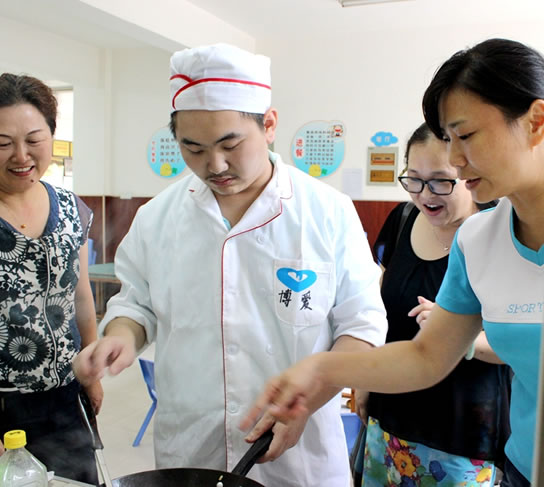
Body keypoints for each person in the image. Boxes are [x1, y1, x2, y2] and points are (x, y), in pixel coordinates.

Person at [72, 43, 388, 487]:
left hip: (300, 461)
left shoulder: (327, 212)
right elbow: (136, 303)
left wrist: (307, 401)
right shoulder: (158, 217)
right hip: (191, 449)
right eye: (193, 148)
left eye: (230, 144)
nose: (214, 165)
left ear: (269, 125)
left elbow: (362, 327)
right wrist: (121, 336)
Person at [241, 37, 544, 487]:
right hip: (524, 466)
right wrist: (318, 369)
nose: (455, 159)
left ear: (535, 121)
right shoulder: (480, 240)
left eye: (465, 136)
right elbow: (425, 356)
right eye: (448, 140)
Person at [0, 73, 100, 484]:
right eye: (1, 143)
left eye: (34, 139)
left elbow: (80, 296)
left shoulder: (71, 208)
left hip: (64, 401)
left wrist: (91, 366)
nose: (21, 156)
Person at [353, 122, 511, 486]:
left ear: (469, 173)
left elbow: (519, 344)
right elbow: (380, 306)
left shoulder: (500, 233)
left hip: (460, 437)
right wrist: (365, 378)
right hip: (388, 418)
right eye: (414, 180)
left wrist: (457, 336)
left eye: (440, 181)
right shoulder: (402, 219)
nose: (425, 195)